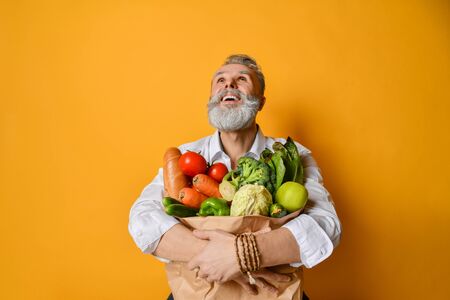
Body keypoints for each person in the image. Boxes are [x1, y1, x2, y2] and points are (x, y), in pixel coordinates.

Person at [128, 54, 341, 298]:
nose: (229, 84)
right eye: (220, 80)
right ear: (211, 99)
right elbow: (142, 218)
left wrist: (242, 254)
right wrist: (218, 256)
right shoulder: (186, 157)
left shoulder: (291, 155)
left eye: (242, 79)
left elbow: (326, 226)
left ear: (260, 102)